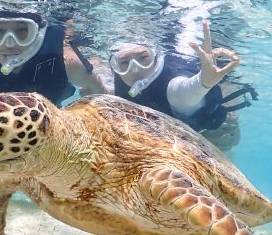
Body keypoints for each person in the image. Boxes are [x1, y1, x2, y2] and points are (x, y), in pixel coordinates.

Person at [110, 20, 256, 151]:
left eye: (143, 57)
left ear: (155, 57)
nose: (135, 68)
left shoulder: (172, 85)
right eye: (124, 62)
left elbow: (183, 94)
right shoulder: (117, 78)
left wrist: (203, 82)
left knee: (225, 139)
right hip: (167, 128)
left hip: (202, 116)